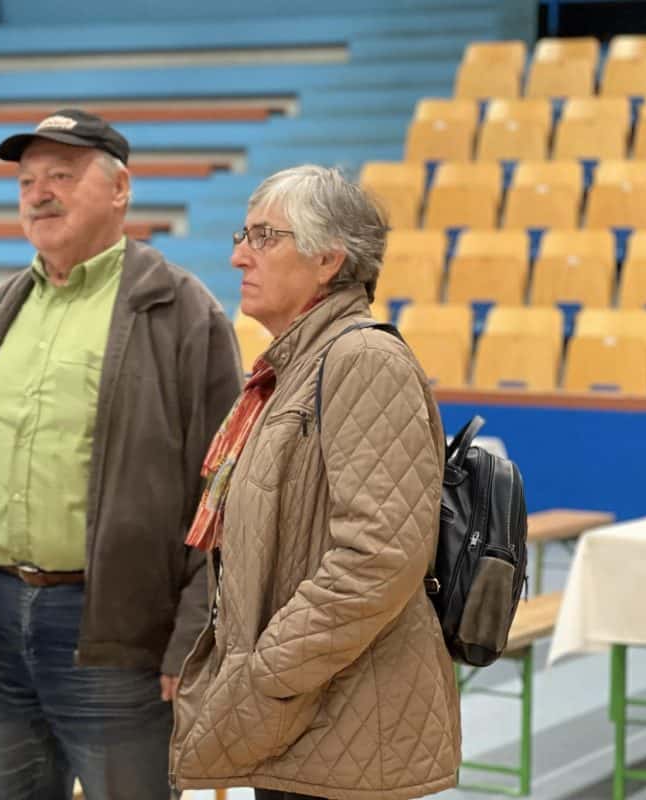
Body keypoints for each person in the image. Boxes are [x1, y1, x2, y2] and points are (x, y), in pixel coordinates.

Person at [0, 108, 242, 800]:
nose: (39, 194)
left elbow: (230, 493)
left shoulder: (184, 313)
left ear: (120, 189)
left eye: (63, 176)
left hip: (120, 636)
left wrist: (196, 631)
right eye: (27, 181)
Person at [170, 166, 462, 800]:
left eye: (264, 237)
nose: (238, 255)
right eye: (243, 235)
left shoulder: (362, 359)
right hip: (310, 714)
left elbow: (380, 557)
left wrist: (269, 674)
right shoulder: (299, 364)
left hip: (337, 715)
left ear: (328, 259)